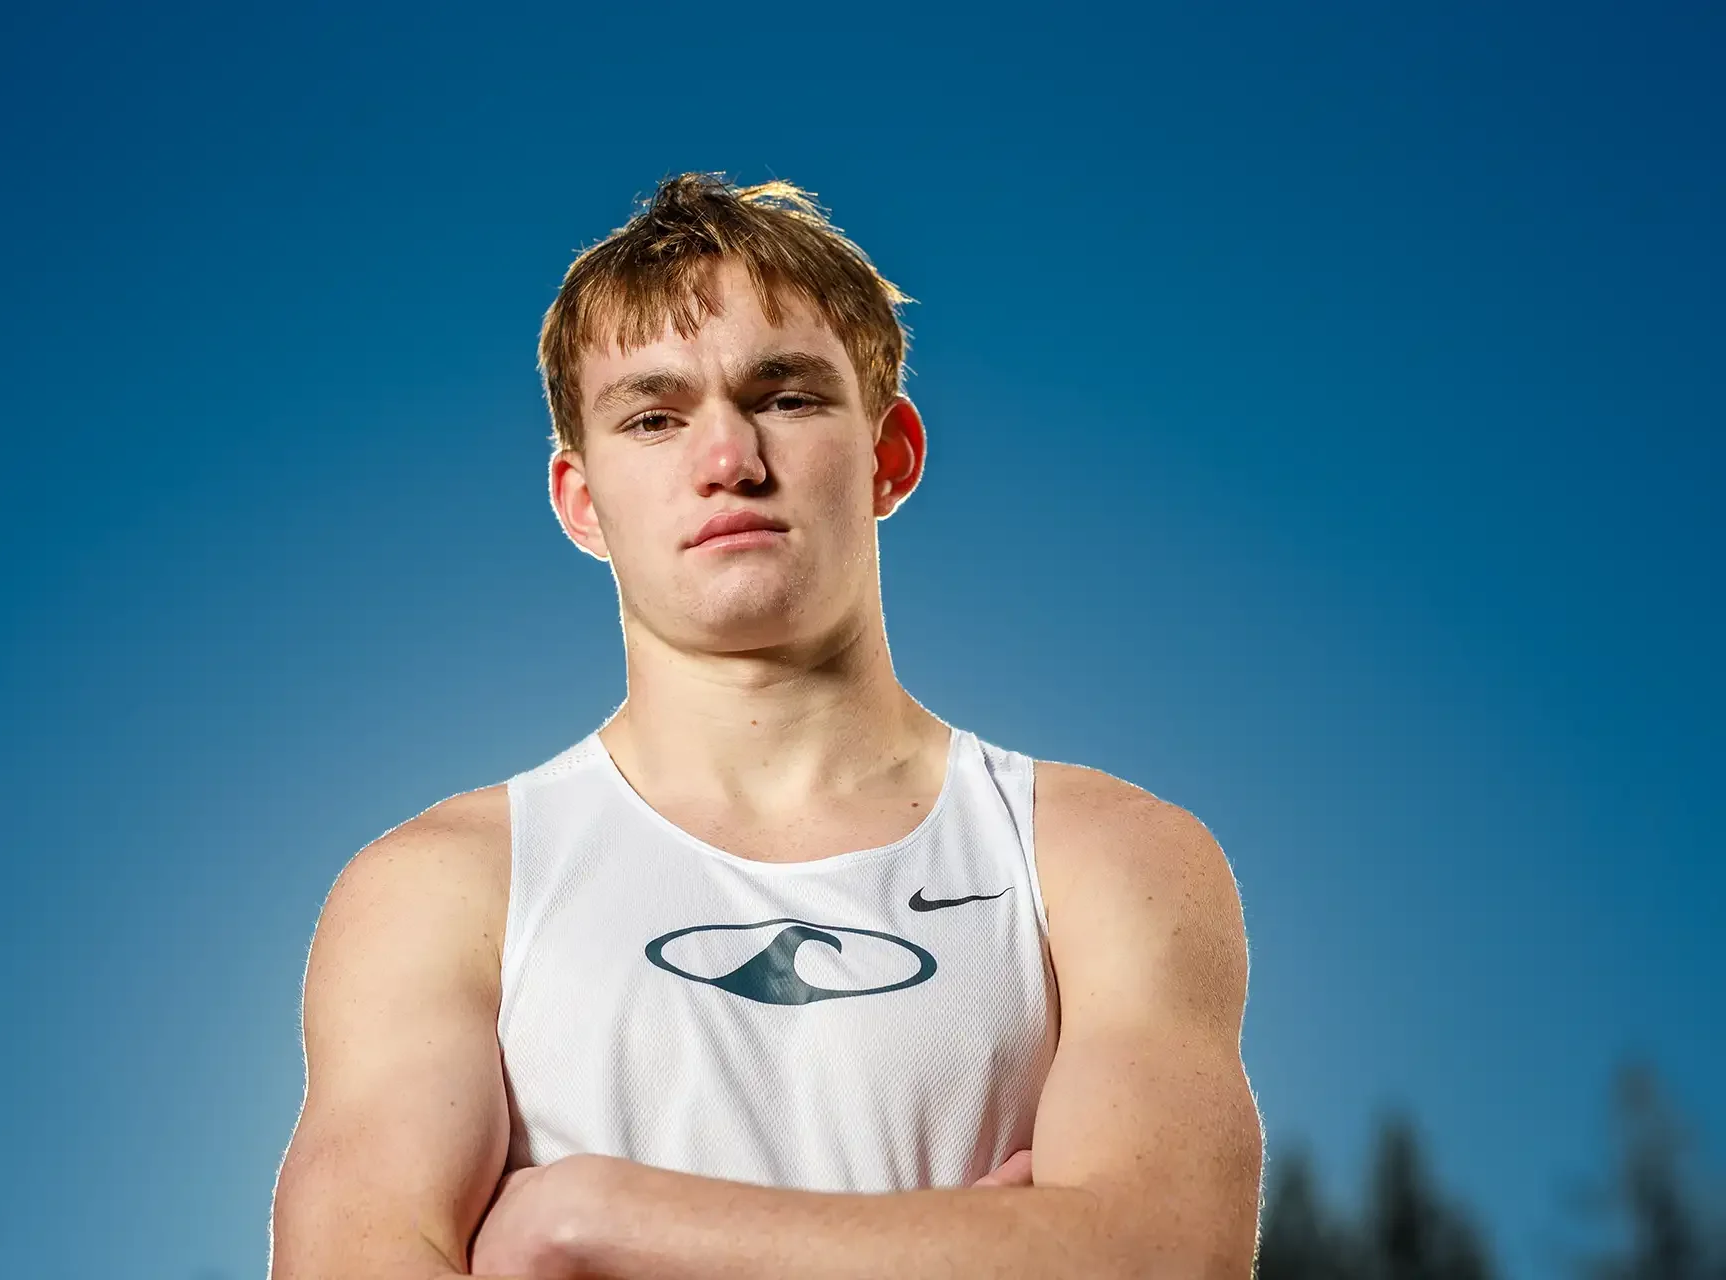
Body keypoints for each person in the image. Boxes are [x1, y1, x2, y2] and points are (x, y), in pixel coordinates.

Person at [268, 173, 1264, 1279]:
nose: (728, 461)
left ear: (891, 454)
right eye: (652, 417)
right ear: (580, 498)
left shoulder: (1103, 855)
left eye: (785, 397)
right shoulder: (442, 888)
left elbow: (1163, 1257)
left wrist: (591, 1214)